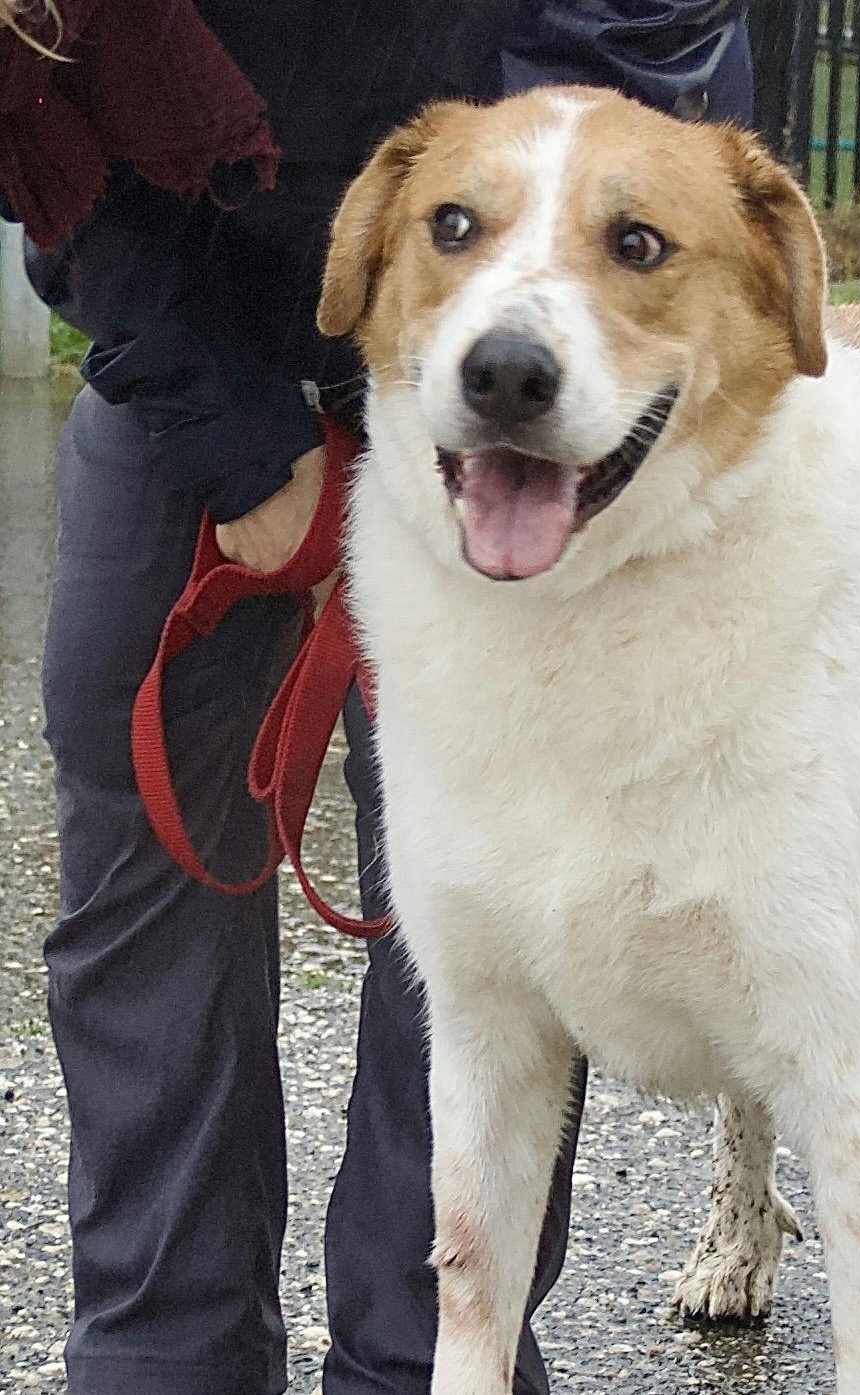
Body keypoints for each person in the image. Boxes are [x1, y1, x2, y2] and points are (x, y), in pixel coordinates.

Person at [0, 3, 752, 1393]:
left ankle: (432, 1363)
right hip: (181, 324)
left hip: (517, 339)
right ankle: (164, 1366)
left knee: (489, 905)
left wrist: (454, 360)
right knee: (145, 851)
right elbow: (39, 123)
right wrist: (231, 433)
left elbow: (621, 81)